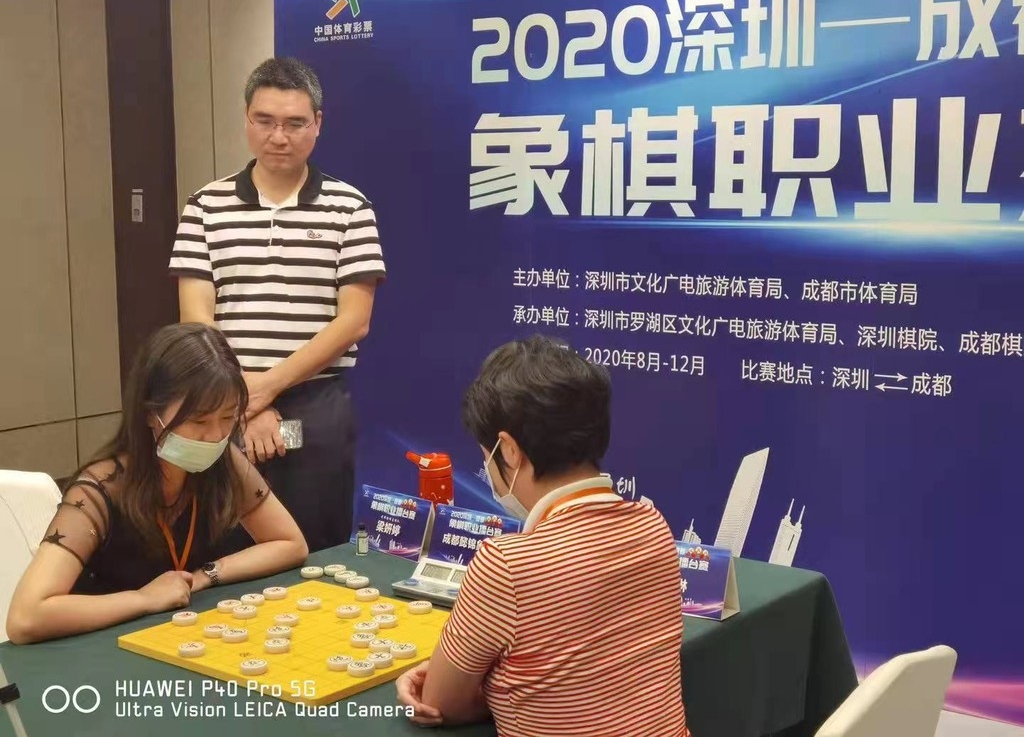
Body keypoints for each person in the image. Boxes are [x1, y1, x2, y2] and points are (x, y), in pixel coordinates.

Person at [395, 336, 691, 736]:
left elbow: (439, 703)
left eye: (486, 457)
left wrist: (476, 685)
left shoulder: (506, 564)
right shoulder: (653, 525)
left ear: (509, 450)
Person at [168, 56, 385, 553]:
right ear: (246, 119)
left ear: (318, 124)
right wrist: (242, 401)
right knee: (223, 544)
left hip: (314, 404)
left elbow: (354, 322)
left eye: (294, 123)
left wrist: (266, 389)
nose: (278, 137)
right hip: (222, 405)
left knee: (316, 545)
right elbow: (196, 318)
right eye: (264, 121)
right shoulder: (205, 205)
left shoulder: (351, 207)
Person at [5, 323, 309, 645]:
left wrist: (208, 574)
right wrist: (144, 599)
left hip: (187, 639)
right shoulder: (101, 489)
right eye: (199, 420)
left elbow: (290, 543)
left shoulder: (223, 459)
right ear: (151, 413)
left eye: (228, 417)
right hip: (105, 648)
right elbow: (25, 617)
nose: (215, 435)